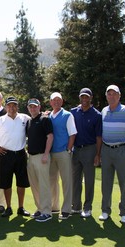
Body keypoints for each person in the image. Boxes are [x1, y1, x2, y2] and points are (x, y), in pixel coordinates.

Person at [99, 85, 125, 223]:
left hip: (121, 149)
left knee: (123, 183)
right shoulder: (104, 111)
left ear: (119, 95)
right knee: (106, 183)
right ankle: (105, 210)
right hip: (106, 150)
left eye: (114, 94)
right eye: (109, 94)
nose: (112, 96)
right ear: (106, 96)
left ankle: (124, 213)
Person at [0, 96, 31, 217]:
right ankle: (8, 207)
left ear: (17, 106)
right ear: (6, 106)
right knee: (6, 183)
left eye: (14, 105)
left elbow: (36, 121)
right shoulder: (0, 120)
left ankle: (21, 207)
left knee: (21, 183)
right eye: (9, 105)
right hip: (5, 154)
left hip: (20, 154)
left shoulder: (25, 118)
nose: (12, 108)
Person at [71, 88, 102, 218]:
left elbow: (99, 137)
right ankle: (76, 206)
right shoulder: (73, 112)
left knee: (89, 180)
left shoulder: (97, 115)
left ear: (91, 98)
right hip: (76, 149)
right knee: (75, 180)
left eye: (87, 97)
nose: (84, 99)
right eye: (82, 97)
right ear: (79, 97)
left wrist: (98, 154)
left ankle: (87, 207)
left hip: (90, 149)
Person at [49, 92, 77, 220]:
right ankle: (54, 206)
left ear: (62, 102)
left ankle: (66, 209)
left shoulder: (67, 115)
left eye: (58, 100)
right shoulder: (49, 115)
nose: (56, 102)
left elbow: (72, 134)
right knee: (52, 181)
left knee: (66, 181)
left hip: (63, 152)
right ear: (50, 102)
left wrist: (68, 149)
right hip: (51, 153)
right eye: (54, 100)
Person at [26, 98, 54, 222]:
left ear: (39, 107)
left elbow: (50, 137)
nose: (33, 108)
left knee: (44, 185)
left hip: (42, 156)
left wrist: (46, 154)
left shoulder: (45, 119)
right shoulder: (29, 122)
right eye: (31, 107)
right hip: (31, 157)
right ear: (28, 108)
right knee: (35, 185)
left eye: (35, 106)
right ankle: (40, 208)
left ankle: (47, 211)